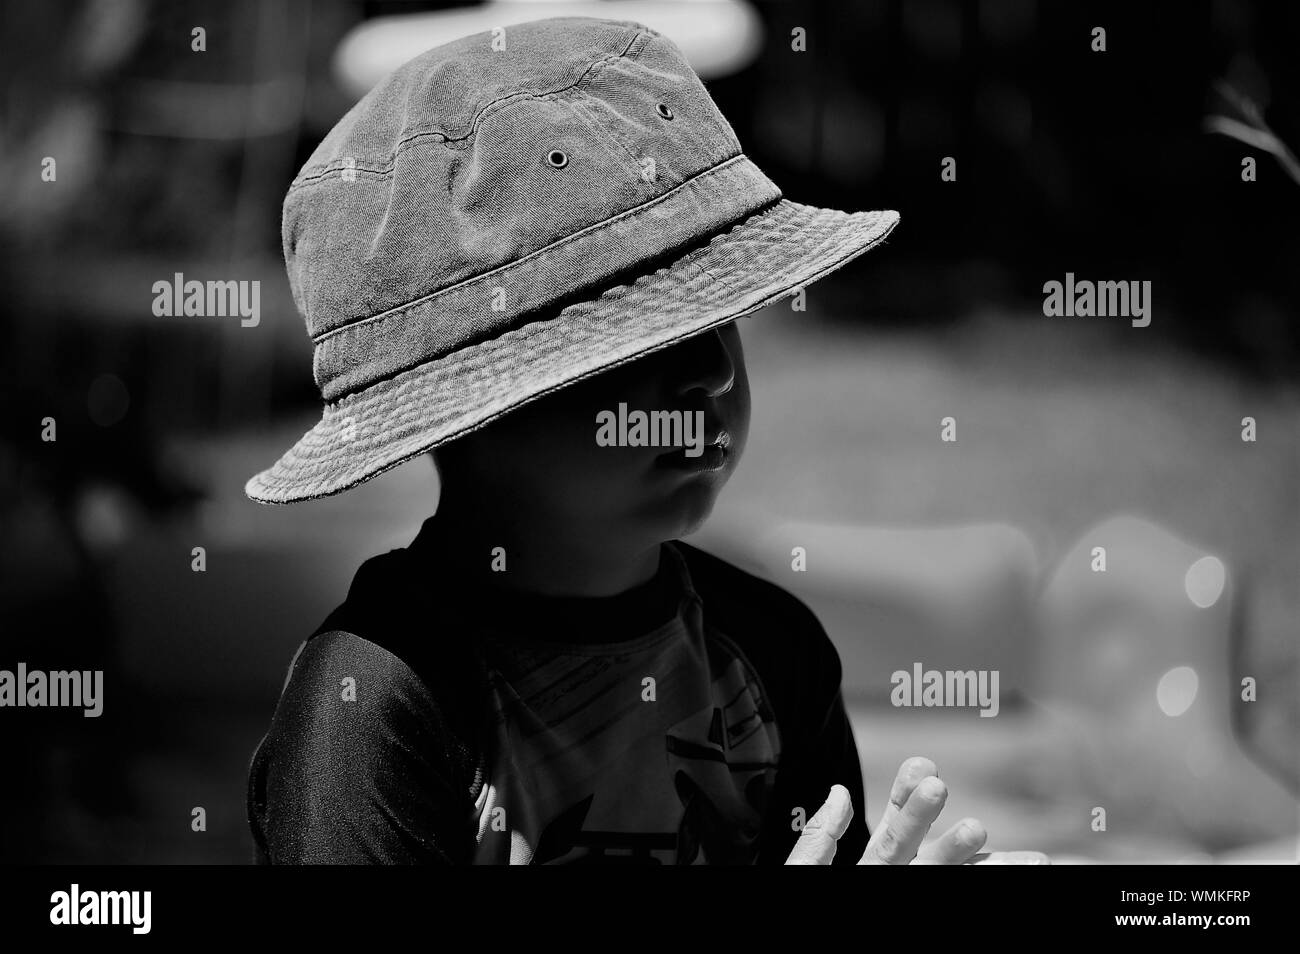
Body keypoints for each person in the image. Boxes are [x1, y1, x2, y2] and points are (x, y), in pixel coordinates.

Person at [243, 15, 1039, 865]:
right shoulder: (376, 701)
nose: (713, 375)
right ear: (465, 407)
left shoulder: (772, 656)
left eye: (720, 313)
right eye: (640, 342)